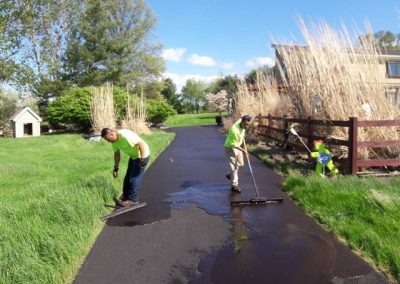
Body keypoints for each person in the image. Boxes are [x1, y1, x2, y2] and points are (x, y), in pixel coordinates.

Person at [101, 128, 150, 207]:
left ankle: (133, 200)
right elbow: (117, 154)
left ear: (112, 134)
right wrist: (116, 168)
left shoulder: (125, 135)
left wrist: (142, 159)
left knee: (135, 178)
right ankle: (125, 197)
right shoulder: (114, 141)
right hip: (133, 156)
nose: (108, 141)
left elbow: (141, 144)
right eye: (107, 140)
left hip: (141, 155)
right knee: (127, 177)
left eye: (108, 139)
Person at [224, 115, 252, 193]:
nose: (246, 126)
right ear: (242, 122)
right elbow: (234, 145)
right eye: (245, 125)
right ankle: (234, 185)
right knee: (234, 168)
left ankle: (230, 174)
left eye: (248, 125)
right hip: (230, 147)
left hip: (238, 146)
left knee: (241, 164)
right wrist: (244, 151)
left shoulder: (241, 121)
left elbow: (241, 118)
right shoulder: (234, 130)